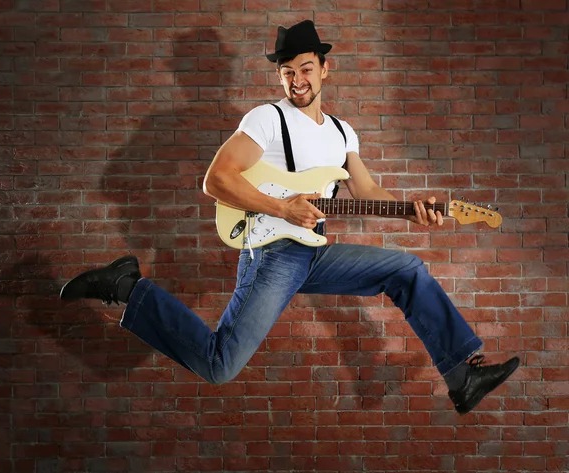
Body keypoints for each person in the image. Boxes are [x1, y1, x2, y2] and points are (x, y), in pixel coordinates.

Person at [60, 20, 519, 415]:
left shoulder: (342, 132)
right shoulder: (265, 119)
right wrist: (283, 207)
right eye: (286, 72)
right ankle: (126, 286)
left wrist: (414, 213)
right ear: (279, 76)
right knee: (220, 365)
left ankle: (461, 376)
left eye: (304, 69)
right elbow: (215, 180)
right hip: (272, 251)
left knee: (407, 269)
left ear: (324, 68)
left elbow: (369, 192)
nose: (296, 80)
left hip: (312, 249)